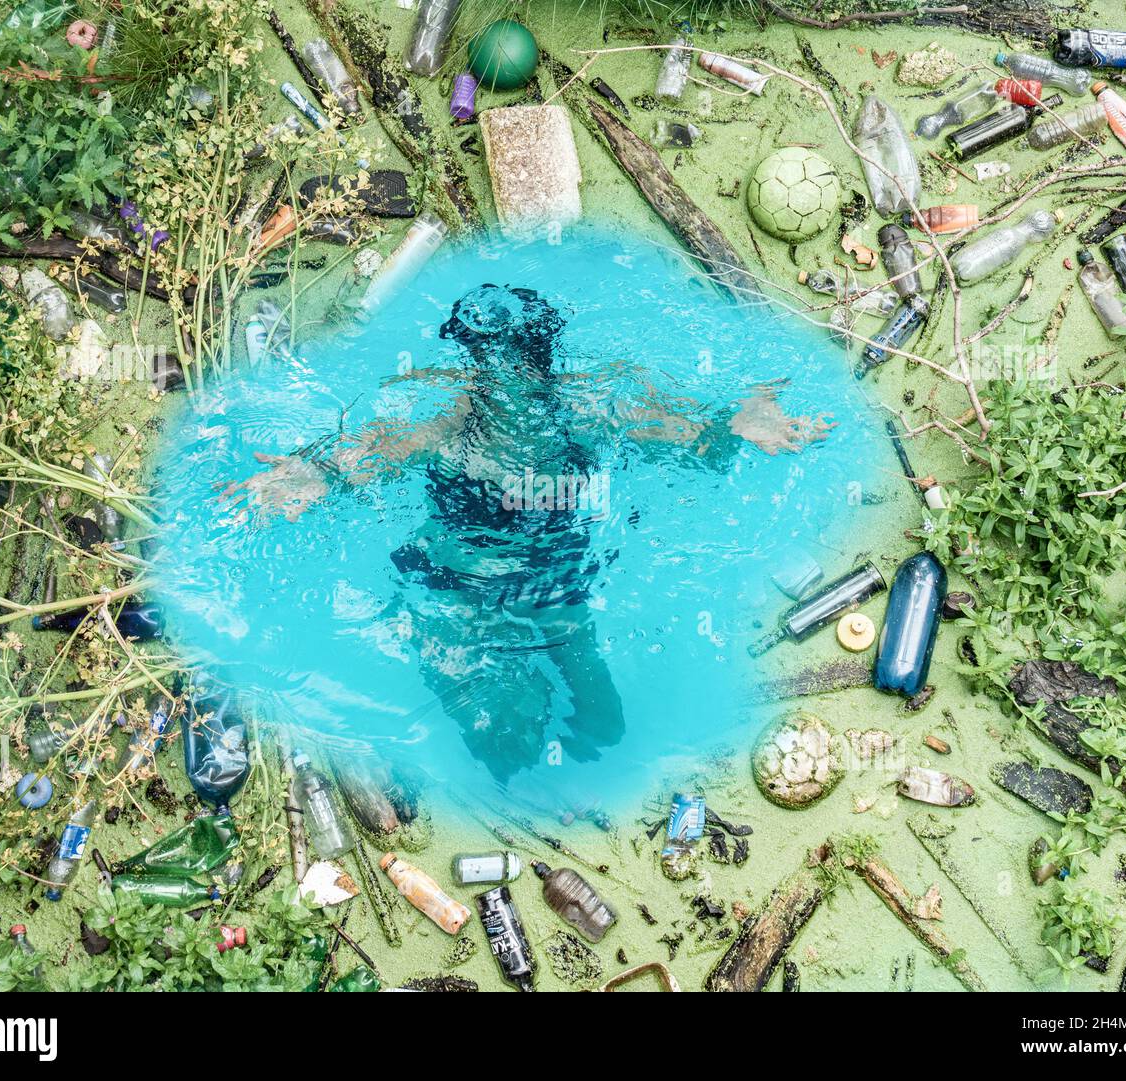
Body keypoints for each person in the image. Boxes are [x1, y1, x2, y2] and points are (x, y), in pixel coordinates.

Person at [222, 284, 831, 781]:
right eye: (491, 375)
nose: (506, 390)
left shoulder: (590, 407)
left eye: (518, 371)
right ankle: (505, 753)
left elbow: (690, 438)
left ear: (543, 365)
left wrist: (737, 426)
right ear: (478, 375)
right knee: (490, 737)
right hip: (453, 570)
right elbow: (380, 449)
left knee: (604, 727)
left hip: (553, 574)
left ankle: (558, 767)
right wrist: (315, 471)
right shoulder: (450, 421)